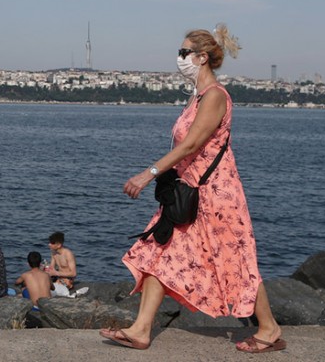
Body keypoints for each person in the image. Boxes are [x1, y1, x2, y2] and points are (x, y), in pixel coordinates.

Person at [100, 24, 285, 353]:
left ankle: (269, 328)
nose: (179, 58)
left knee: (236, 261)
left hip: (216, 197)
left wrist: (148, 173)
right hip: (189, 193)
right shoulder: (197, 96)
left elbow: (192, 144)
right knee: (157, 252)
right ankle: (141, 329)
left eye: (184, 52)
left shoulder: (215, 96)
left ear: (202, 58)